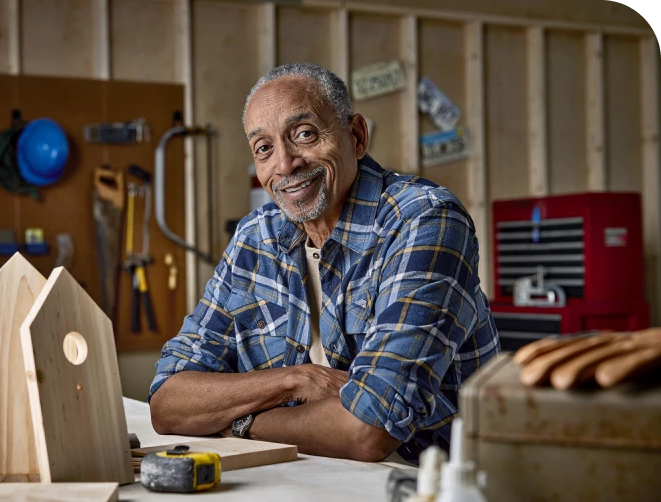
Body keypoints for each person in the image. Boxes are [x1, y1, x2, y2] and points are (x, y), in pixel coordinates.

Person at [148, 62, 500, 464]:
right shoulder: (254, 237)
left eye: (304, 134)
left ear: (356, 137)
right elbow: (168, 402)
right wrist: (294, 380)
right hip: (309, 478)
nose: (284, 164)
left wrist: (238, 423)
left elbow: (368, 430)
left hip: (433, 483)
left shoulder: (424, 220)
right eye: (264, 148)